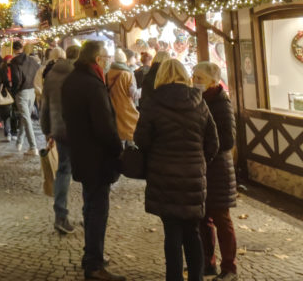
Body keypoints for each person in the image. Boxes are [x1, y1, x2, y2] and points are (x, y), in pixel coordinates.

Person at [134, 58, 218, 281]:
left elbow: (141, 139)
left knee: (172, 232)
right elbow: (213, 143)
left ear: (161, 75)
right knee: (192, 231)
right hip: (193, 176)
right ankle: (196, 278)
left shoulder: (152, 102)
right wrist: (198, 161)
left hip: (164, 176)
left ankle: (174, 278)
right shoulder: (199, 102)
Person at [61, 40, 125, 281]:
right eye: (106, 57)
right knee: (98, 209)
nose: (108, 61)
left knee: (90, 207)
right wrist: (117, 148)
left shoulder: (72, 80)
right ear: (97, 60)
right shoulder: (93, 84)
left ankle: (91, 254)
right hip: (97, 158)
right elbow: (104, 126)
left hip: (81, 154)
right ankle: (94, 265)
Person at [193, 62, 238, 281]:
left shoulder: (221, 102)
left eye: (199, 78)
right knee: (202, 218)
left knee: (222, 219)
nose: (195, 81)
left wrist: (205, 147)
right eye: (194, 76)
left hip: (218, 170)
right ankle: (207, 263)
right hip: (203, 168)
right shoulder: (198, 99)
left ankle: (229, 267)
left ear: (213, 81)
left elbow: (228, 140)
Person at [41, 43, 78, 234]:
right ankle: (90, 214)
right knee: (89, 172)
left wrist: (47, 131)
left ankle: (60, 215)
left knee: (63, 170)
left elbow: (44, 106)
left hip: (59, 129)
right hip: (79, 130)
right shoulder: (79, 74)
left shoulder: (52, 75)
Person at [8, 41, 40, 155]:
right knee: (25, 117)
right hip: (32, 91)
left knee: (26, 119)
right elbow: (39, 71)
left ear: (13, 49)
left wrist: (14, 91)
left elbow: (16, 79)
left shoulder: (14, 62)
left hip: (21, 92)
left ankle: (33, 147)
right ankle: (19, 142)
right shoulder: (32, 60)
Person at [107, 48, 139, 142]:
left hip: (113, 108)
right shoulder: (127, 74)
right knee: (131, 137)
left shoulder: (108, 73)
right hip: (126, 109)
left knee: (119, 138)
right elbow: (134, 94)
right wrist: (145, 90)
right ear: (125, 60)